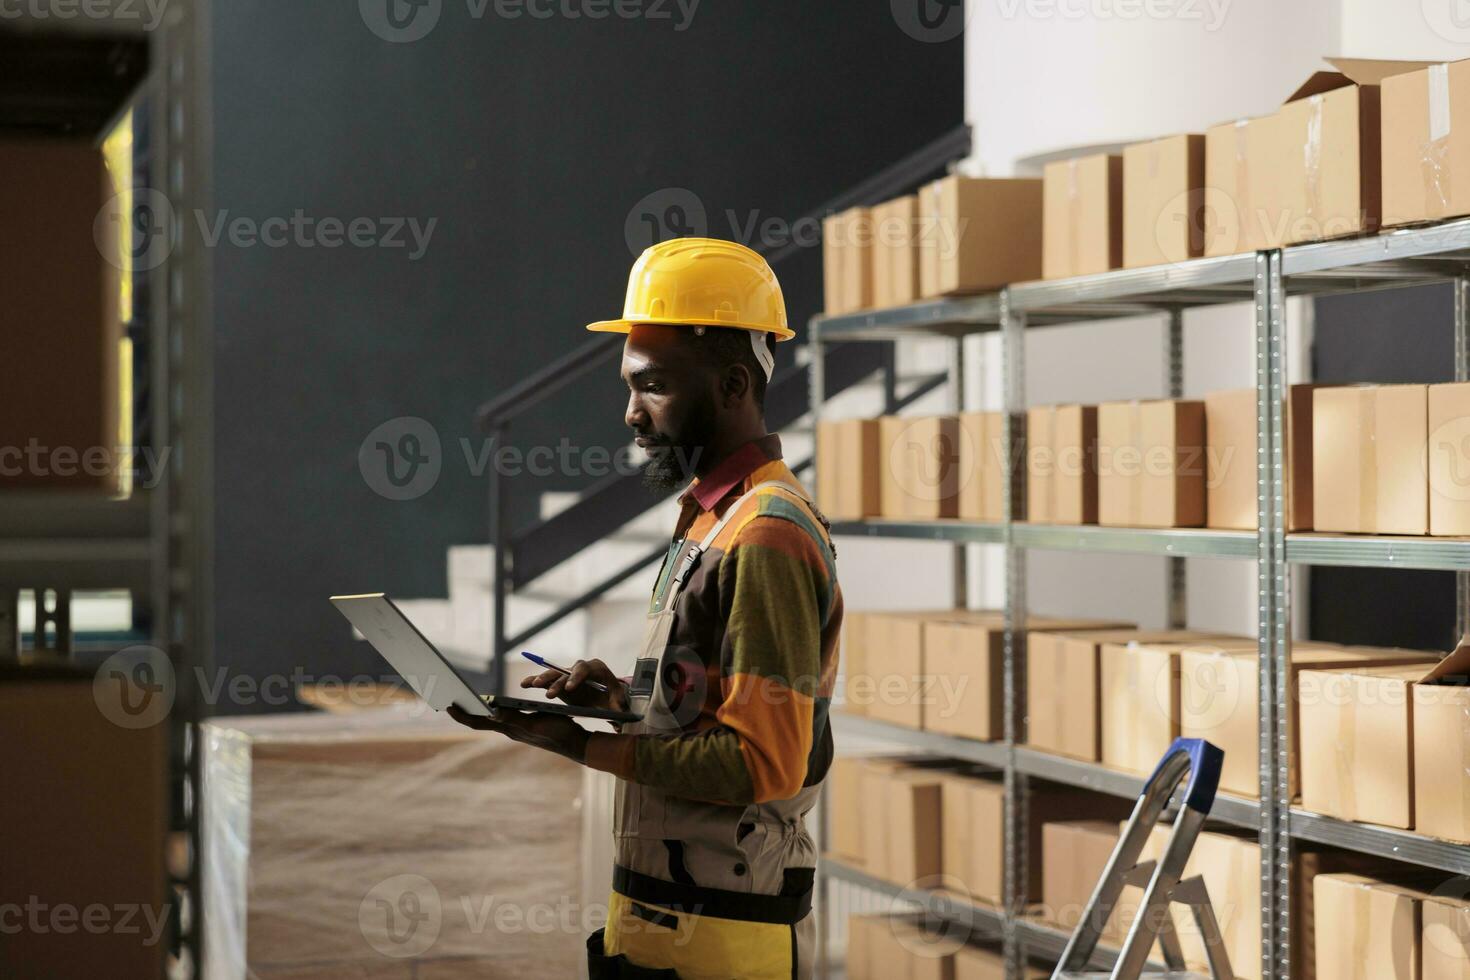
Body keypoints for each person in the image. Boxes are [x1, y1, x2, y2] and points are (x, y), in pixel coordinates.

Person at [449, 237, 843, 979]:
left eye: (653, 386)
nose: (631, 415)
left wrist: (576, 746)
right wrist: (626, 704)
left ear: (732, 386)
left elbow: (763, 762)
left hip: (726, 938)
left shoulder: (767, 535)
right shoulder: (708, 520)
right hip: (663, 918)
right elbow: (713, 713)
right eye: (630, 386)